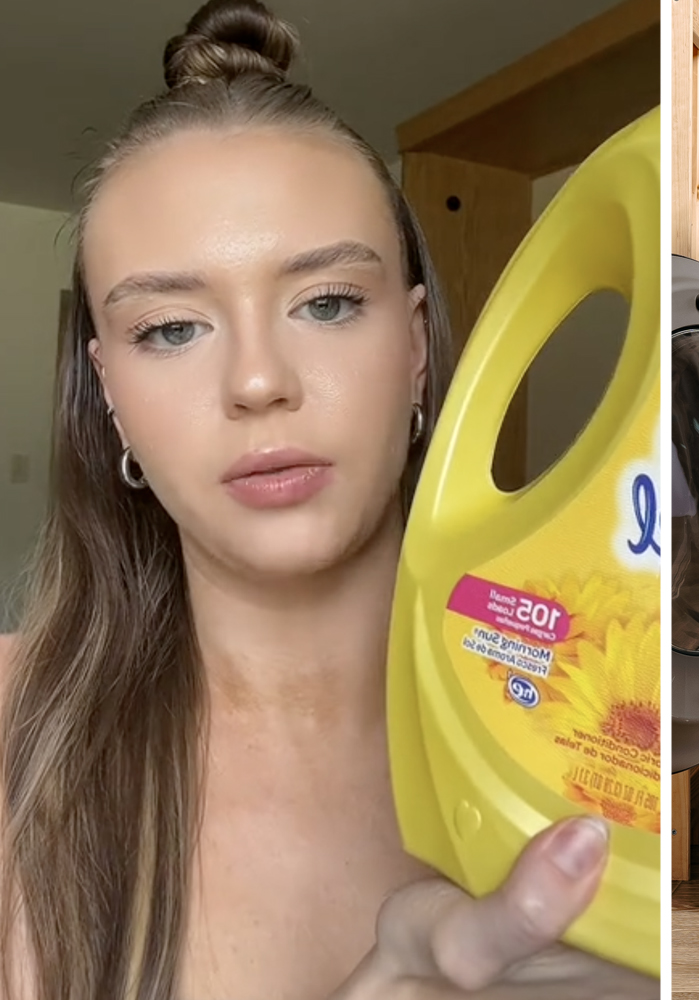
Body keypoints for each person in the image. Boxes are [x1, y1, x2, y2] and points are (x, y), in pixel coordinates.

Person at [0, 2, 656, 998]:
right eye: (172, 328)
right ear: (112, 400)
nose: (259, 381)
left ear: (415, 347)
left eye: (328, 303)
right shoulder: (15, 729)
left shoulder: (620, 713)